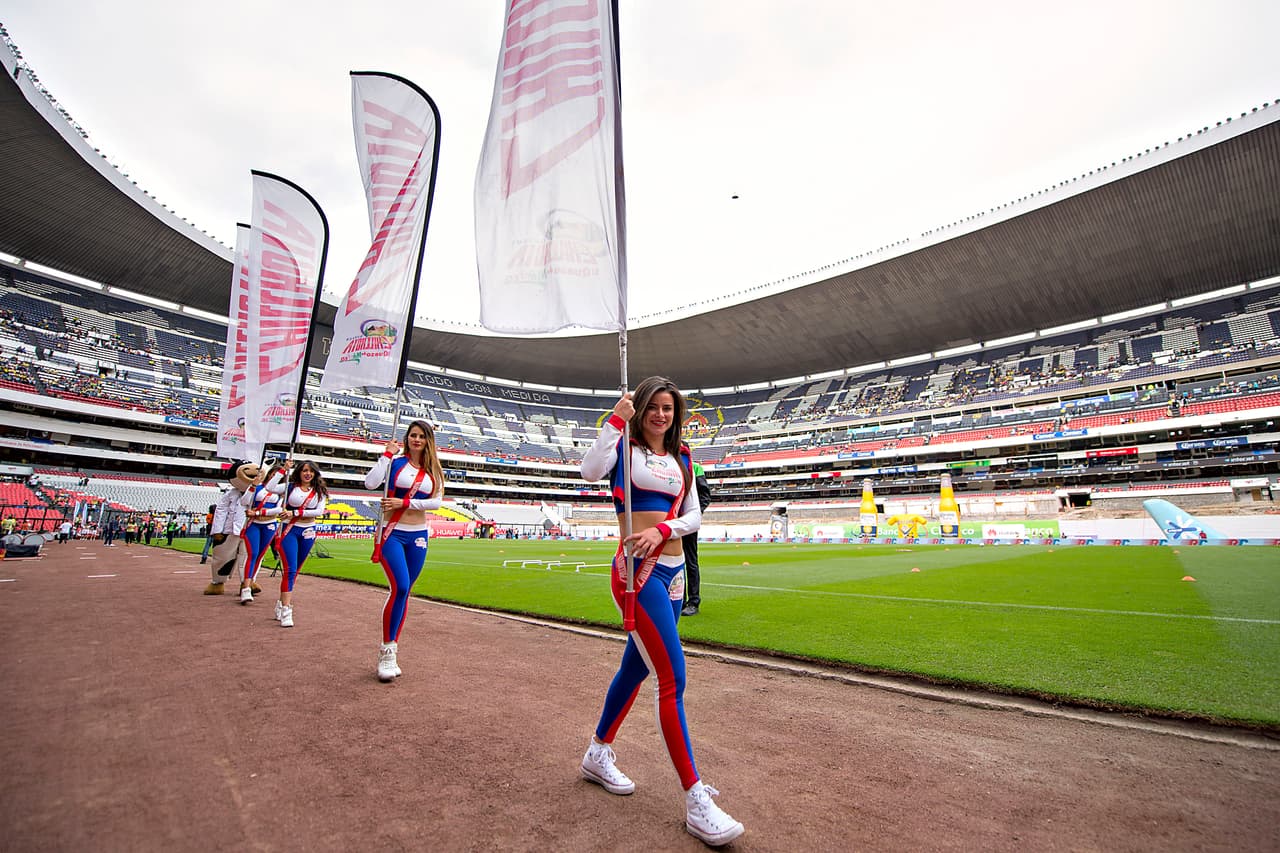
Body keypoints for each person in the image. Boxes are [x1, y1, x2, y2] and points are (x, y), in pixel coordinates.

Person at [577, 376, 744, 847]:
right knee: (673, 679)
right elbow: (589, 471)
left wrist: (665, 527)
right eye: (654, 406)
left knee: (635, 671)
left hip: (672, 576)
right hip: (637, 574)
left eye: (669, 408)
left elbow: (693, 516)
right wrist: (615, 419)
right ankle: (695, 801)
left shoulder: (683, 457)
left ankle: (597, 752)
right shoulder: (623, 450)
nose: (661, 415)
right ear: (642, 407)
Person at [363, 420, 444, 682]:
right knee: (399, 586)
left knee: (406, 591)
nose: (416, 440)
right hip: (392, 532)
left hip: (418, 534)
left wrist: (405, 501)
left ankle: (393, 649)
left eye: (421, 436)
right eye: (412, 435)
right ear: (406, 438)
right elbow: (370, 483)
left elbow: (437, 502)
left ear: (428, 440)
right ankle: (386, 651)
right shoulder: (396, 462)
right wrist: (386, 455)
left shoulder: (433, 470)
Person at [267, 459, 329, 628]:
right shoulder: (290, 486)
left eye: (311, 471)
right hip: (289, 531)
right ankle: (287, 609)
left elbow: (319, 511)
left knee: (295, 571)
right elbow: (269, 488)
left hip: (308, 531)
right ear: (299, 472)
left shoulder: (319, 492)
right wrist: (283, 471)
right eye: (304, 470)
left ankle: (281, 603)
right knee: (290, 569)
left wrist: (294, 512)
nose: (307, 473)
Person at [237, 463, 284, 604]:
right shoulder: (258, 486)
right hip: (254, 524)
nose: (274, 477)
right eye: (273, 474)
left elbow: (278, 509)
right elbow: (244, 501)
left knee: (260, 556)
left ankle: (251, 582)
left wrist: (258, 512)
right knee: (252, 554)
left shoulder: (281, 492)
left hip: (269, 524)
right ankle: (245, 588)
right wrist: (252, 486)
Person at [681, 461, 712, 616]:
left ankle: (693, 602)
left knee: (690, 562)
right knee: (674, 562)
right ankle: (679, 600)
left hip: (687, 523)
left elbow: (705, 494)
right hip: (670, 522)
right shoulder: (667, 461)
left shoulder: (695, 466)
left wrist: (695, 515)